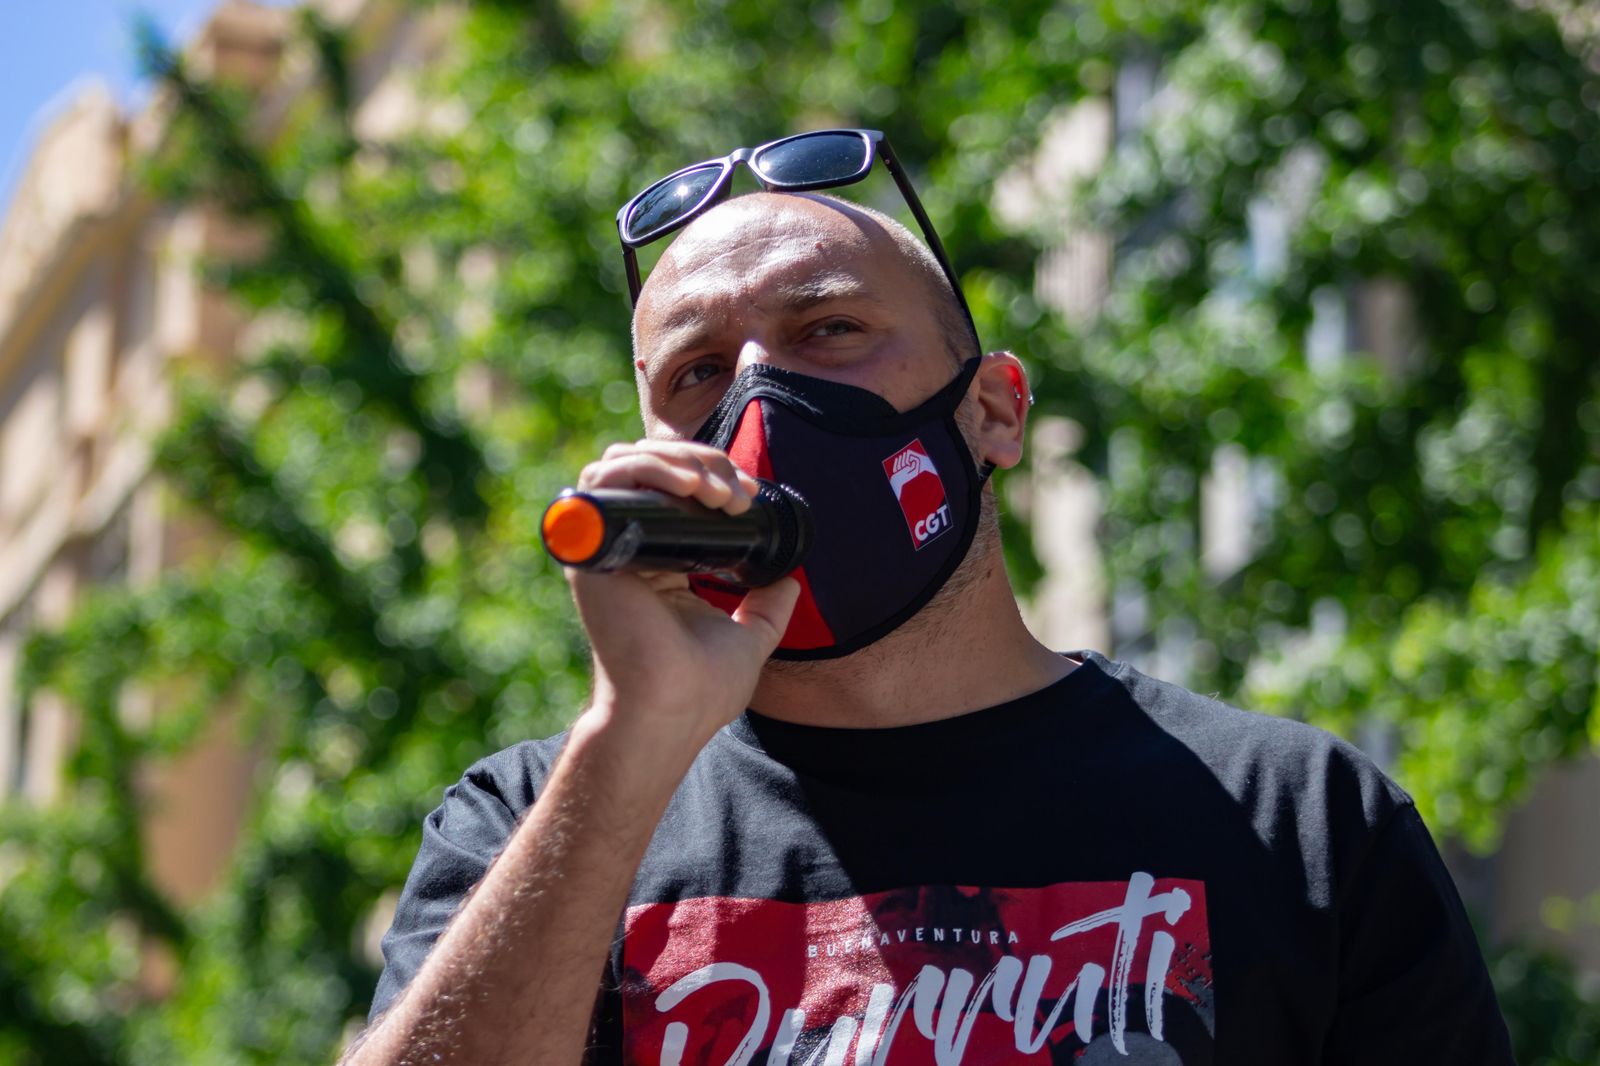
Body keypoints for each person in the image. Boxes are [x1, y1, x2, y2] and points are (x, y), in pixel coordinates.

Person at [345, 134, 1514, 1066]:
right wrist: (630, 739)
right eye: (698, 371)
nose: (761, 402)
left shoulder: (1300, 821)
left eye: (828, 331)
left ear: (994, 411)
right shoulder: (529, 823)